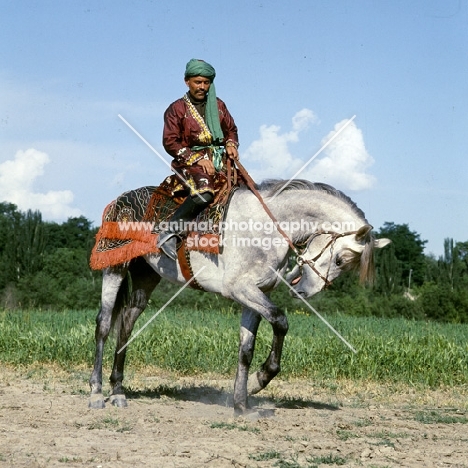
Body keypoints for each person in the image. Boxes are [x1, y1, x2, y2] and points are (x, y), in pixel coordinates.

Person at [158, 59, 240, 260]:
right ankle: (169, 232)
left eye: (206, 82)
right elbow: (170, 142)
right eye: (198, 82)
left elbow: (231, 130)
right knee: (204, 193)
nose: (202, 87)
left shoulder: (219, 105)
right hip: (188, 163)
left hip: (220, 161)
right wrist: (196, 159)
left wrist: (230, 144)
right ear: (187, 82)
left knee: (247, 191)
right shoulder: (176, 109)